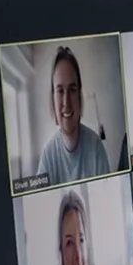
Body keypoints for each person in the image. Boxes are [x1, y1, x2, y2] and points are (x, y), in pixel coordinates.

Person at [33, 46, 114, 184]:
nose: (66, 102)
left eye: (72, 90)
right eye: (60, 91)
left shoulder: (96, 147)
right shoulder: (48, 155)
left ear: (80, 96)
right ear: (52, 97)